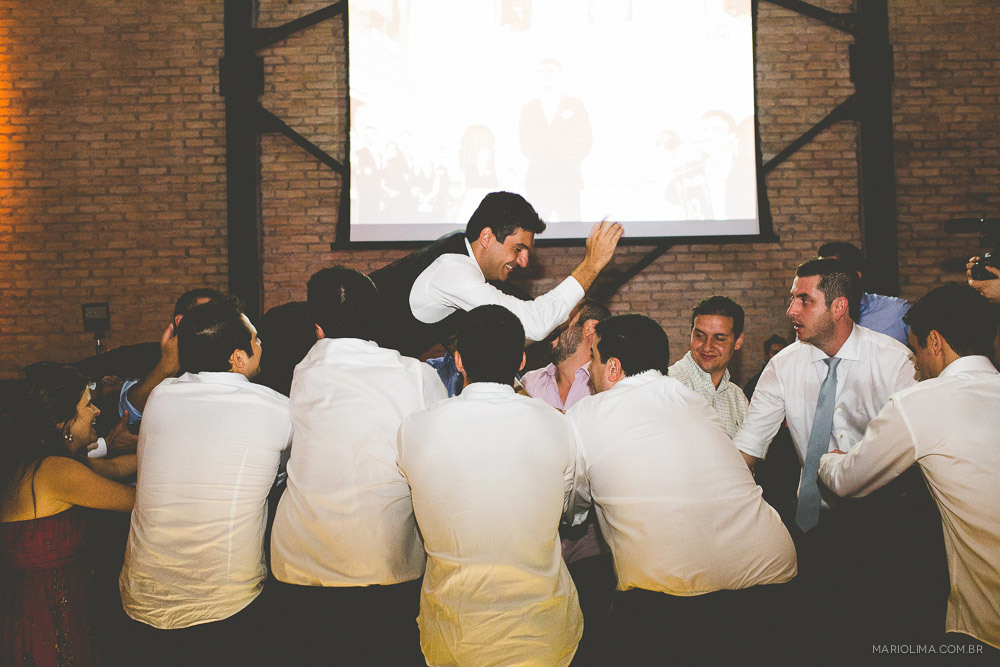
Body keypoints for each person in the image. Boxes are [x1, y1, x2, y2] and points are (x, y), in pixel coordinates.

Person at [568, 315, 796, 663]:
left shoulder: (585, 413)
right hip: (773, 576)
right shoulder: (694, 402)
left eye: (594, 357)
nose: (588, 368)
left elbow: (574, 502)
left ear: (613, 367)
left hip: (670, 599)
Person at [732, 258, 920, 652]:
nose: (790, 311)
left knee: (885, 632)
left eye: (804, 300)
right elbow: (748, 447)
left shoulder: (895, 362)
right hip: (812, 524)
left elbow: (911, 453)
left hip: (884, 525)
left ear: (839, 306)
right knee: (817, 636)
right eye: (791, 299)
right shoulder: (782, 366)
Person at [269, 267, 447, 665]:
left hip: (299, 563)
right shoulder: (417, 376)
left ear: (317, 329)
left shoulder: (300, 374)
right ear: (376, 322)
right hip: (384, 563)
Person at [818, 284, 1000, 654]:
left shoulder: (922, 402)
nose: (914, 363)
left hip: (986, 625)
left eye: (915, 348)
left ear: (935, 342)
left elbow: (848, 481)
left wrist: (827, 456)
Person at [398, 305, 583, 666]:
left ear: (459, 361)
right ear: (521, 361)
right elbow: (573, 511)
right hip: (544, 631)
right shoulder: (559, 426)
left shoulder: (415, 429)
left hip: (454, 634)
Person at [119, 298, 292, 665]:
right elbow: (288, 473)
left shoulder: (161, 396)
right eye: (255, 339)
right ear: (238, 358)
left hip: (141, 600)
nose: (261, 344)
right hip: (223, 605)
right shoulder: (276, 409)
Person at [369, 190, 622, 358]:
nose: (524, 262)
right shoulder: (453, 269)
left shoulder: (458, 254)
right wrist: (592, 265)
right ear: (487, 237)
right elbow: (532, 324)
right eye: (518, 249)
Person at [1, 364, 136, 667]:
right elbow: (139, 502)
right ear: (64, 422)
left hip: (49, 598)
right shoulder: (56, 471)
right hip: (44, 609)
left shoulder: (44, 459)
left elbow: (116, 468)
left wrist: (158, 446)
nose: (97, 411)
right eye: (88, 404)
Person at [520, 297, 612, 664]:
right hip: (535, 546)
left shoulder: (606, 387)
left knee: (591, 645)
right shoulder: (526, 382)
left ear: (589, 330)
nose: (551, 335)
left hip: (591, 544)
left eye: (561, 326)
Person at [117, 287, 224, 427]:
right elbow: (129, 413)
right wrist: (166, 367)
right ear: (181, 321)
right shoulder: (148, 356)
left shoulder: (228, 357)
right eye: (207, 315)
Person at [519, 59, 592, 222]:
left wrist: (570, 159)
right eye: (542, 71)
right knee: (535, 229)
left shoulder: (574, 104)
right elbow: (524, 142)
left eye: (550, 71)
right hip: (538, 179)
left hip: (568, 179)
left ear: (560, 75)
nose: (546, 75)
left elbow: (587, 139)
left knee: (572, 227)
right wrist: (539, 158)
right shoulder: (529, 107)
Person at [667, 295, 748, 437]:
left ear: (738, 341)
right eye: (700, 336)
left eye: (719, 338)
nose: (707, 346)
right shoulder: (669, 385)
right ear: (691, 333)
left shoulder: (738, 399)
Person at [817, 241, 910, 344]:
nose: (821, 281)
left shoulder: (897, 312)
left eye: (829, 275)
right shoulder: (812, 315)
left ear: (855, 276)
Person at [743, 333, 787, 399]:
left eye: (783, 353)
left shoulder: (790, 380)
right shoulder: (754, 384)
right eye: (775, 353)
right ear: (766, 356)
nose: (779, 357)